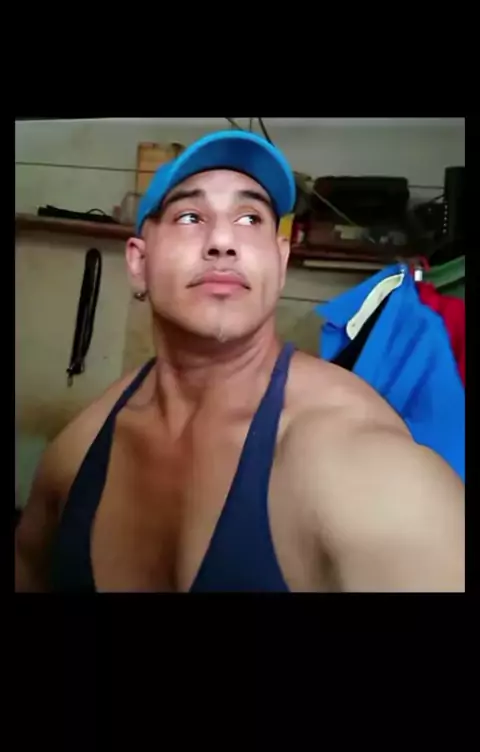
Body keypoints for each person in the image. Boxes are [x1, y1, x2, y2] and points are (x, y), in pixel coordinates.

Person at [15, 130, 465, 593]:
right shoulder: (78, 451)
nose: (223, 240)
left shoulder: (364, 472)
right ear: (138, 262)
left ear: (280, 260)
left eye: (250, 218)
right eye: (190, 216)